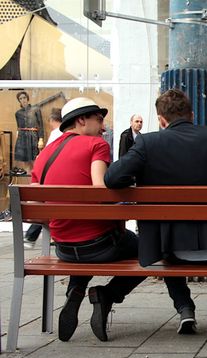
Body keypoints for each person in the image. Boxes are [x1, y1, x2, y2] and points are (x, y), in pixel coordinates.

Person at [105, 89, 207, 336]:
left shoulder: (147, 143)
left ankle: (185, 308)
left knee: (166, 245)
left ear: (161, 120)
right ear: (192, 115)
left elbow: (112, 178)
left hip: (172, 251)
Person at [31, 97, 146, 343]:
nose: (103, 127)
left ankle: (76, 289)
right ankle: (107, 295)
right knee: (150, 252)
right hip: (101, 246)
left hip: (64, 249)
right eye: (99, 120)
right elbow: (99, 191)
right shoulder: (96, 144)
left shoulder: (45, 154)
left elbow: (37, 208)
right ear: (81, 120)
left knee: (84, 237)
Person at [24, 108, 64, 247]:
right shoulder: (66, 133)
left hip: (52, 176)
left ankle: (31, 236)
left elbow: (47, 155)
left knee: (46, 203)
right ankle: (35, 236)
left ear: (53, 120)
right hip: (60, 177)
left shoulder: (56, 133)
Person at [14, 91, 44, 175]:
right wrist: (18, 136)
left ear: (27, 98)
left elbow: (40, 125)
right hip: (22, 138)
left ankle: (36, 180)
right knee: (26, 161)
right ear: (19, 100)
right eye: (20, 98)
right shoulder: (18, 113)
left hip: (33, 136)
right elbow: (18, 127)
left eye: (24, 98)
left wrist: (41, 138)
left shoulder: (35, 109)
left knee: (35, 160)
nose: (23, 100)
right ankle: (28, 180)